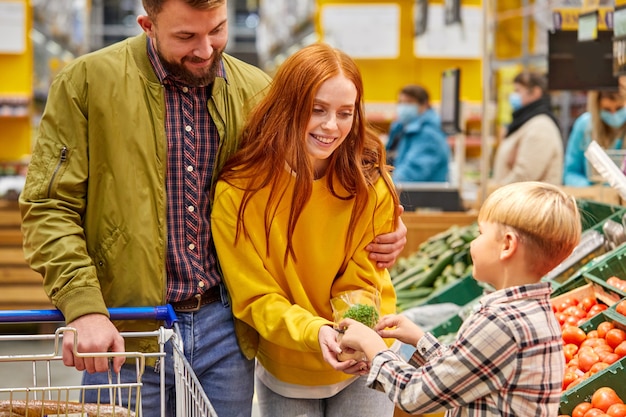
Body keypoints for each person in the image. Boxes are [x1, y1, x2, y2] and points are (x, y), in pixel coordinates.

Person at [17, 1, 408, 416]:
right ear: (147, 24)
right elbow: (49, 207)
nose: (205, 50)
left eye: (217, 31)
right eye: (186, 37)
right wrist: (84, 307)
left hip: (226, 326)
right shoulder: (87, 83)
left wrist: (383, 219)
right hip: (125, 322)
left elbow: (306, 178)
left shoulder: (255, 90)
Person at [211, 43, 399, 417]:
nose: (332, 126)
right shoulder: (240, 192)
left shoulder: (367, 184)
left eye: (345, 113)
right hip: (288, 364)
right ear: (288, 106)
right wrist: (315, 333)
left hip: (365, 360)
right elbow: (255, 296)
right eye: (317, 110)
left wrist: (352, 333)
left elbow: (363, 278)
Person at [337, 181, 582, 417]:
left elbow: (414, 396)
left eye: (480, 233)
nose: (473, 243)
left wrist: (373, 346)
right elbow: (471, 369)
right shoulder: (533, 312)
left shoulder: (501, 322)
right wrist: (421, 340)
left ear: (507, 245)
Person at [491, 71, 563, 185]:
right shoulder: (526, 122)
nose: (513, 96)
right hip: (518, 200)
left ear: (535, 92)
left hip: (530, 202)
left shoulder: (541, 126)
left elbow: (526, 176)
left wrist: (496, 192)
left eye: (518, 91)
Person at [385, 84, 450, 183]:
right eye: (401, 102)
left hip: (422, 195)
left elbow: (410, 174)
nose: (403, 107)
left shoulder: (429, 135)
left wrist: (384, 185)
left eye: (409, 103)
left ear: (425, 105)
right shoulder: (404, 128)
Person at [564, 89, 626, 186]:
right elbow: (571, 173)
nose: (614, 115)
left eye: (619, 108)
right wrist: (589, 188)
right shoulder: (584, 126)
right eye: (607, 110)